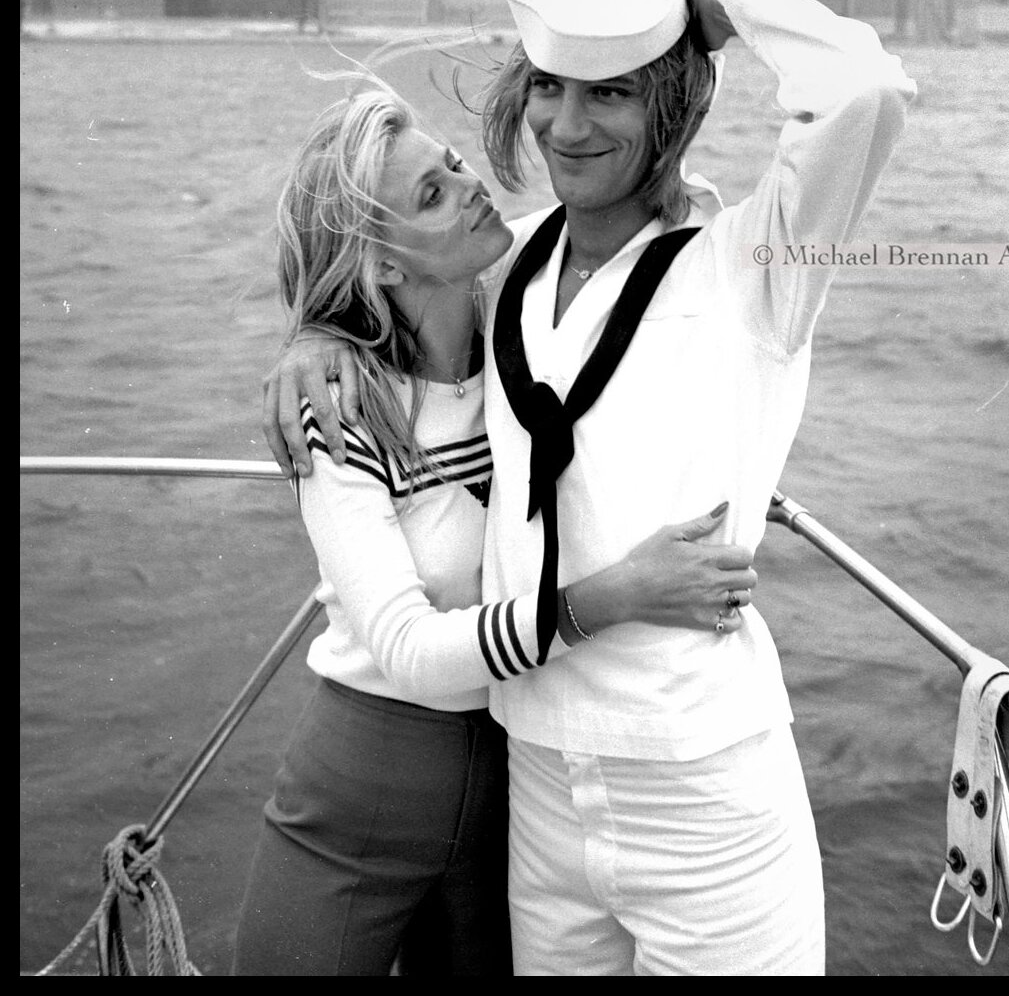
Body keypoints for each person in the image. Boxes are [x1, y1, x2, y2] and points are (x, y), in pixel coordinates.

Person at [263, 0, 917, 976]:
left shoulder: (755, 264)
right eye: (552, 86)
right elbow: (379, 276)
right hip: (537, 783)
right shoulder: (512, 261)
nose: (565, 126)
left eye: (610, 92)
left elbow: (866, 92)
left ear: (673, 105)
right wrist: (308, 341)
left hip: (699, 788)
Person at [232, 76, 760, 977]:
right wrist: (618, 595)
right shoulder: (345, 404)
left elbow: (659, 219)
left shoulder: (525, 295)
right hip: (366, 782)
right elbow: (406, 647)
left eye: (449, 162)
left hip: (516, 778)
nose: (471, 185)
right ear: (385, 266)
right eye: (431, 196)